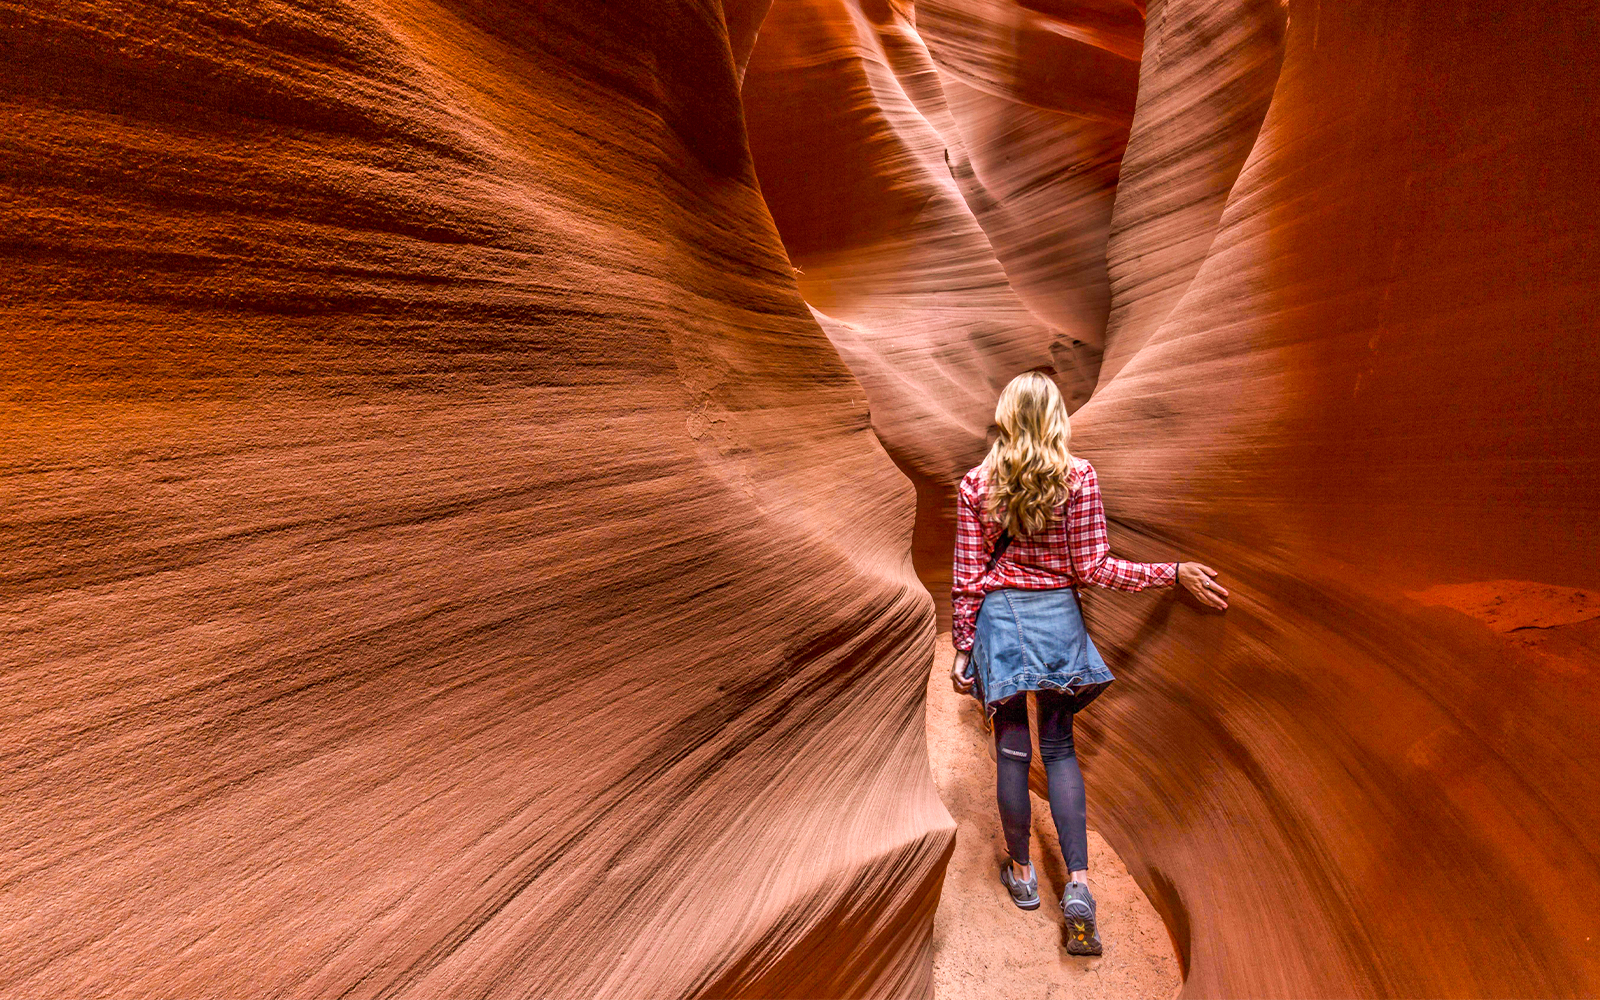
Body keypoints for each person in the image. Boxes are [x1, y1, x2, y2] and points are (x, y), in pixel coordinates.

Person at [949, 371, 1228, 956]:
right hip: (1059, 620)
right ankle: (1078, 885)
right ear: (1055, 418)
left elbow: (969, 579)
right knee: (1059, 749)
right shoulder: (1079, 478)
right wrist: (1168, 572)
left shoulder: (976, 484)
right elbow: (1096, 567)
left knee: (1011, 749)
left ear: (1005, 415)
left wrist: (961, 647)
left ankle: (1023, 875)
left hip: (1000, 622)